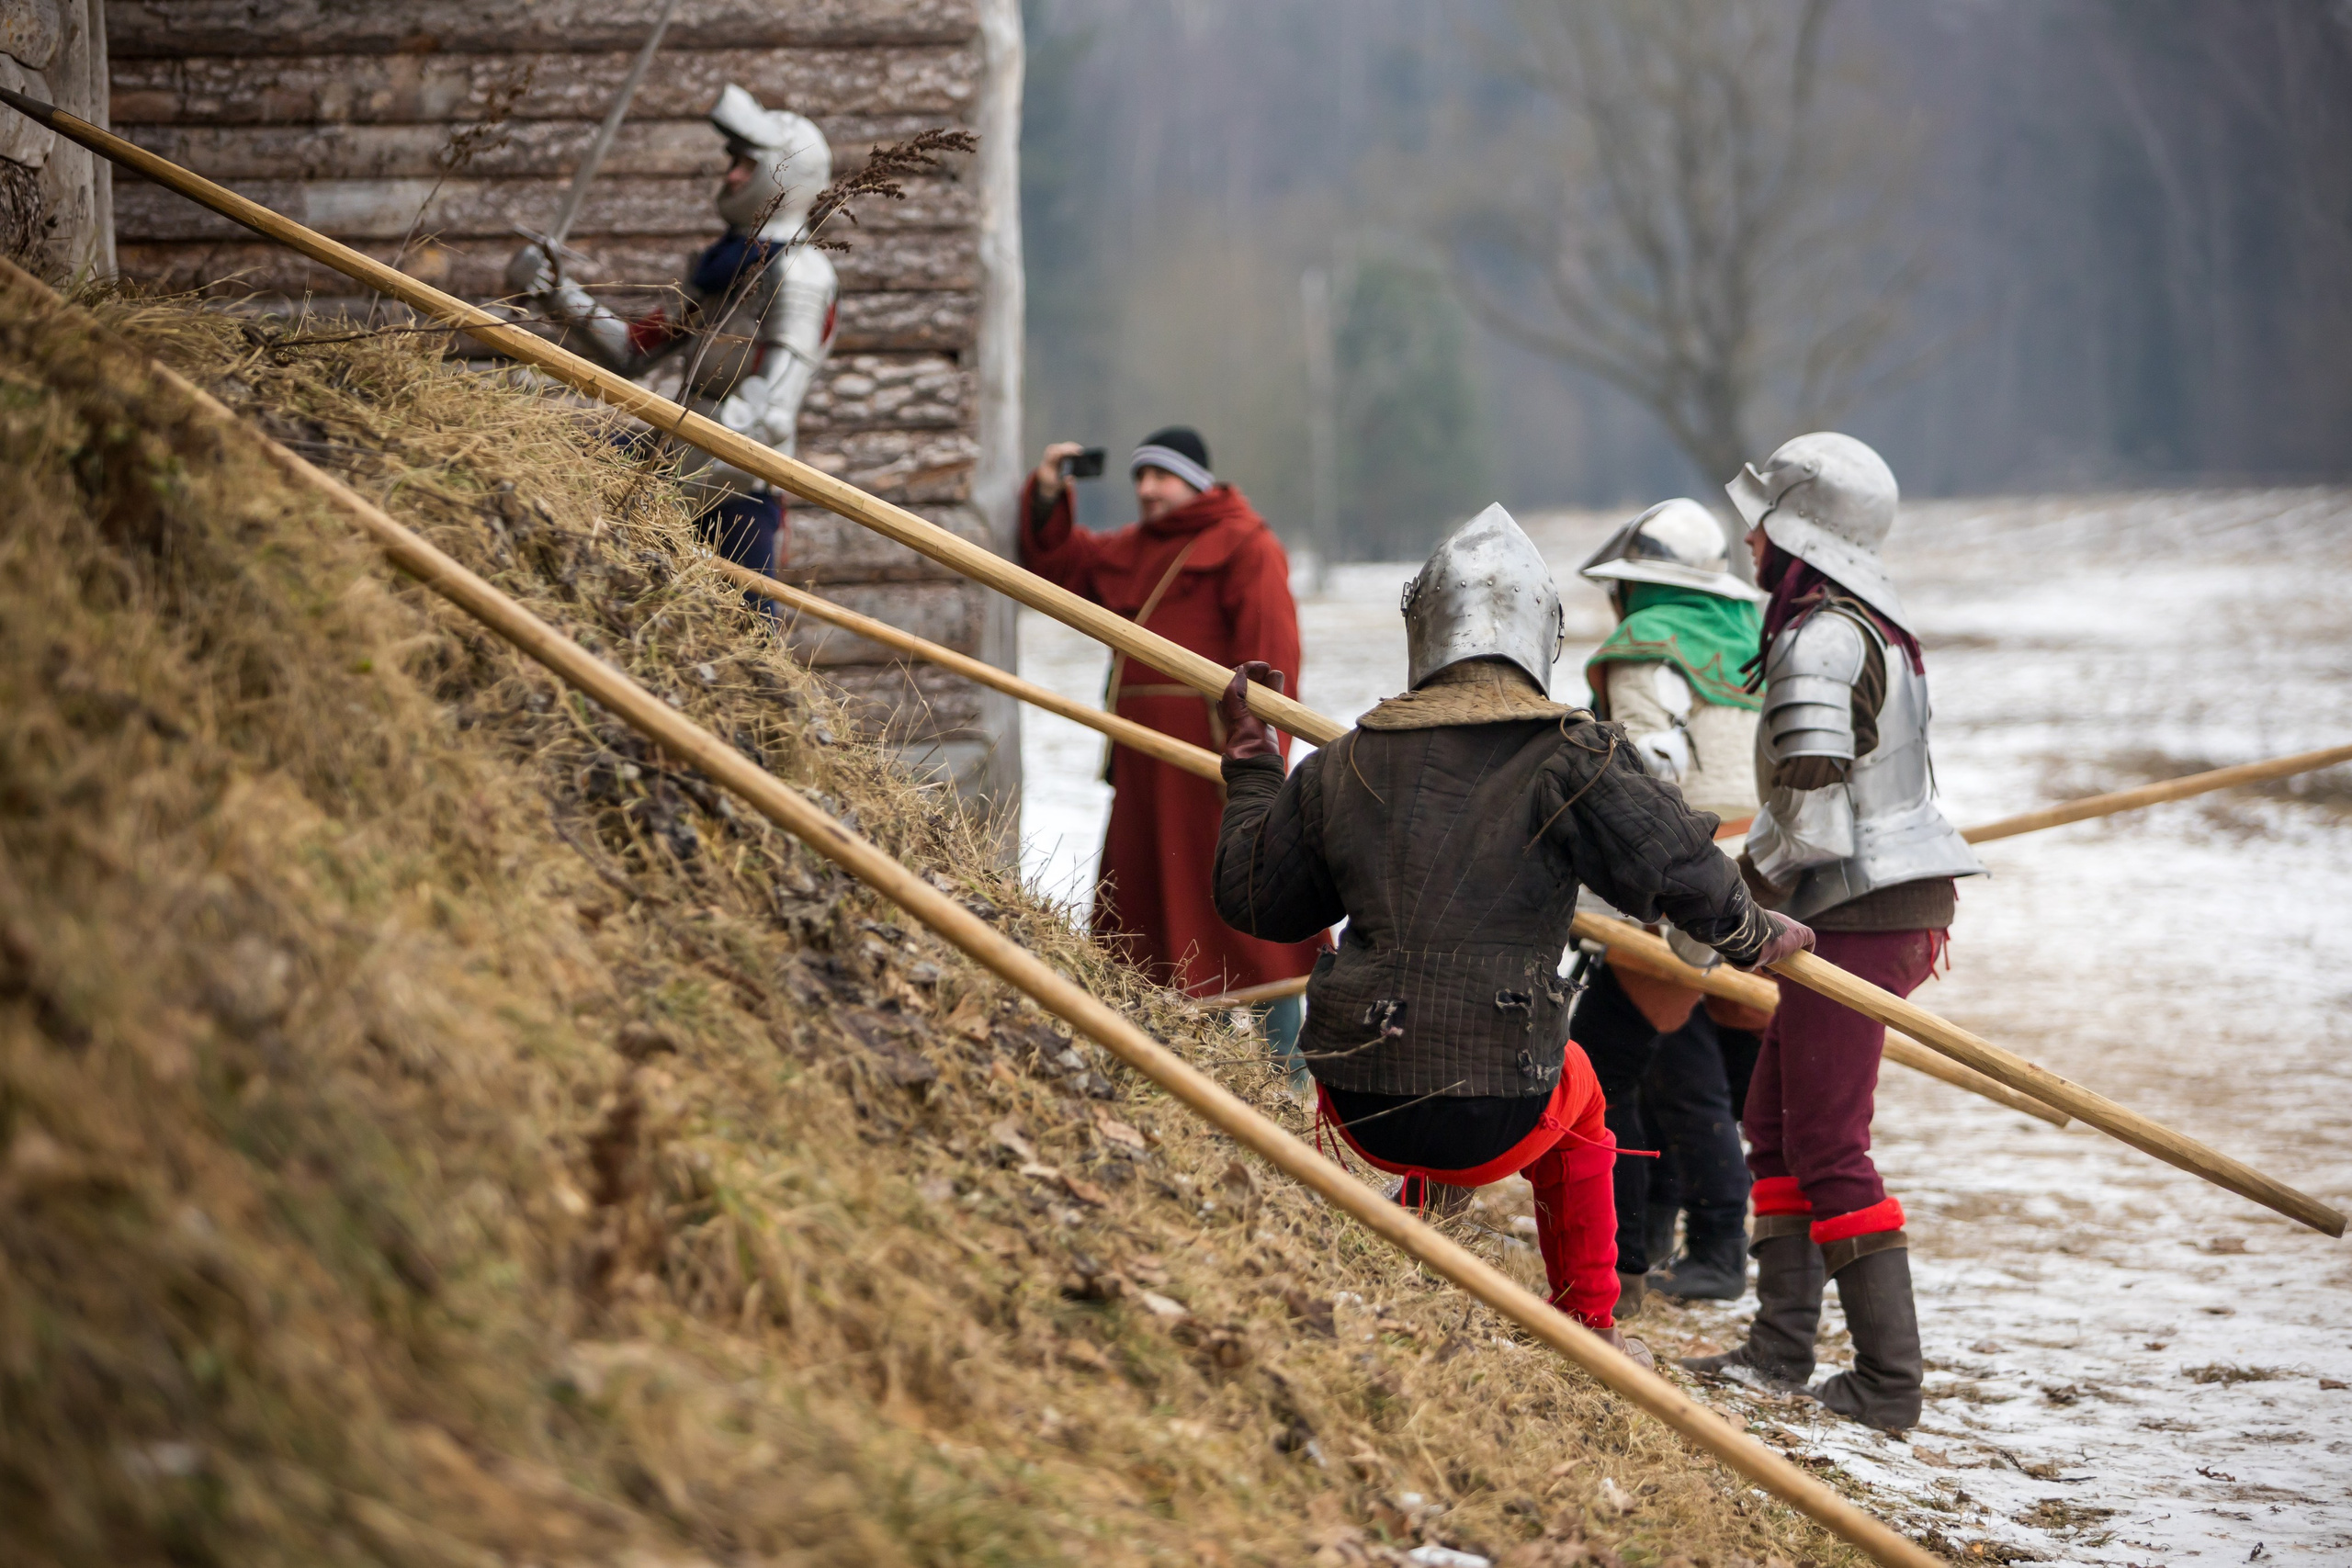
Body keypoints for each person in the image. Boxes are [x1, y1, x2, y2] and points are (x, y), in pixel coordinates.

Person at [1209, 504, 1815, 1357]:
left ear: (1424, 627)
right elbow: (1682, 861)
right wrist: (1753, 935)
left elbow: (1254, 899)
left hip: (1352, 1097)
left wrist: (1251, 763)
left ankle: (1424, 1229)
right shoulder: (1574, 752)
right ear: (1543, 634)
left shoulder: (1344, 758)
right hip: (1499, 1112)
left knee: (1426, 1012)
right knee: (1584, 1093)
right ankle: (1590, 1320)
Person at [1681, 433, 1985, 1434]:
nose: (1752, 539)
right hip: (1858, 903)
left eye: (1763, 520)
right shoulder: (1861, 624)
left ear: (1799, 526)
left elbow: (1809, 823)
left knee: (1824, 1141)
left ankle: (1887, 1385)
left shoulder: (1823, 636)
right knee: (1771, 1124)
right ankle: (1779, 1345)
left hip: (1855, 910)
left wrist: (1719, 903)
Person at [1021, 427, 1325, 1076]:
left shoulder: (1247, 544)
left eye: (1161, 475)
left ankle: (1287, 1081)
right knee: (1161, 920)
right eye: (1139, 477)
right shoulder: (1134, 550)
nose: (1147, 489)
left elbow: (1272, 665)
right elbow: (1062, 566)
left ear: (1195, 480)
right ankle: (1193, 1071)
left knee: (1245, 924)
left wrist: (1261, 768)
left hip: (1215, 774)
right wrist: (1050, 493)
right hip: (1145, 772)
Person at [506, 84, 839, 588]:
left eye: (746, 165)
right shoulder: (727, 267)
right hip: (680, 448)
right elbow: (634, 349)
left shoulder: (799, 275)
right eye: (735, 162)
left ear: (783, 176)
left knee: (745, 640)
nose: (731, 175)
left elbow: (769, 416)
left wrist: (659, 495)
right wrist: (558, 292)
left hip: (737, 489)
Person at [1568, 499, 1771, 1314]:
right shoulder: (1754, 645)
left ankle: (1637, 1256)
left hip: (1686, 873)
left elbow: (1650, 779)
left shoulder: (1642, 649)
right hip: (1767, 870)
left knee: (1609, 1068)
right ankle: (1668, 1234)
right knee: (1715, 1068)